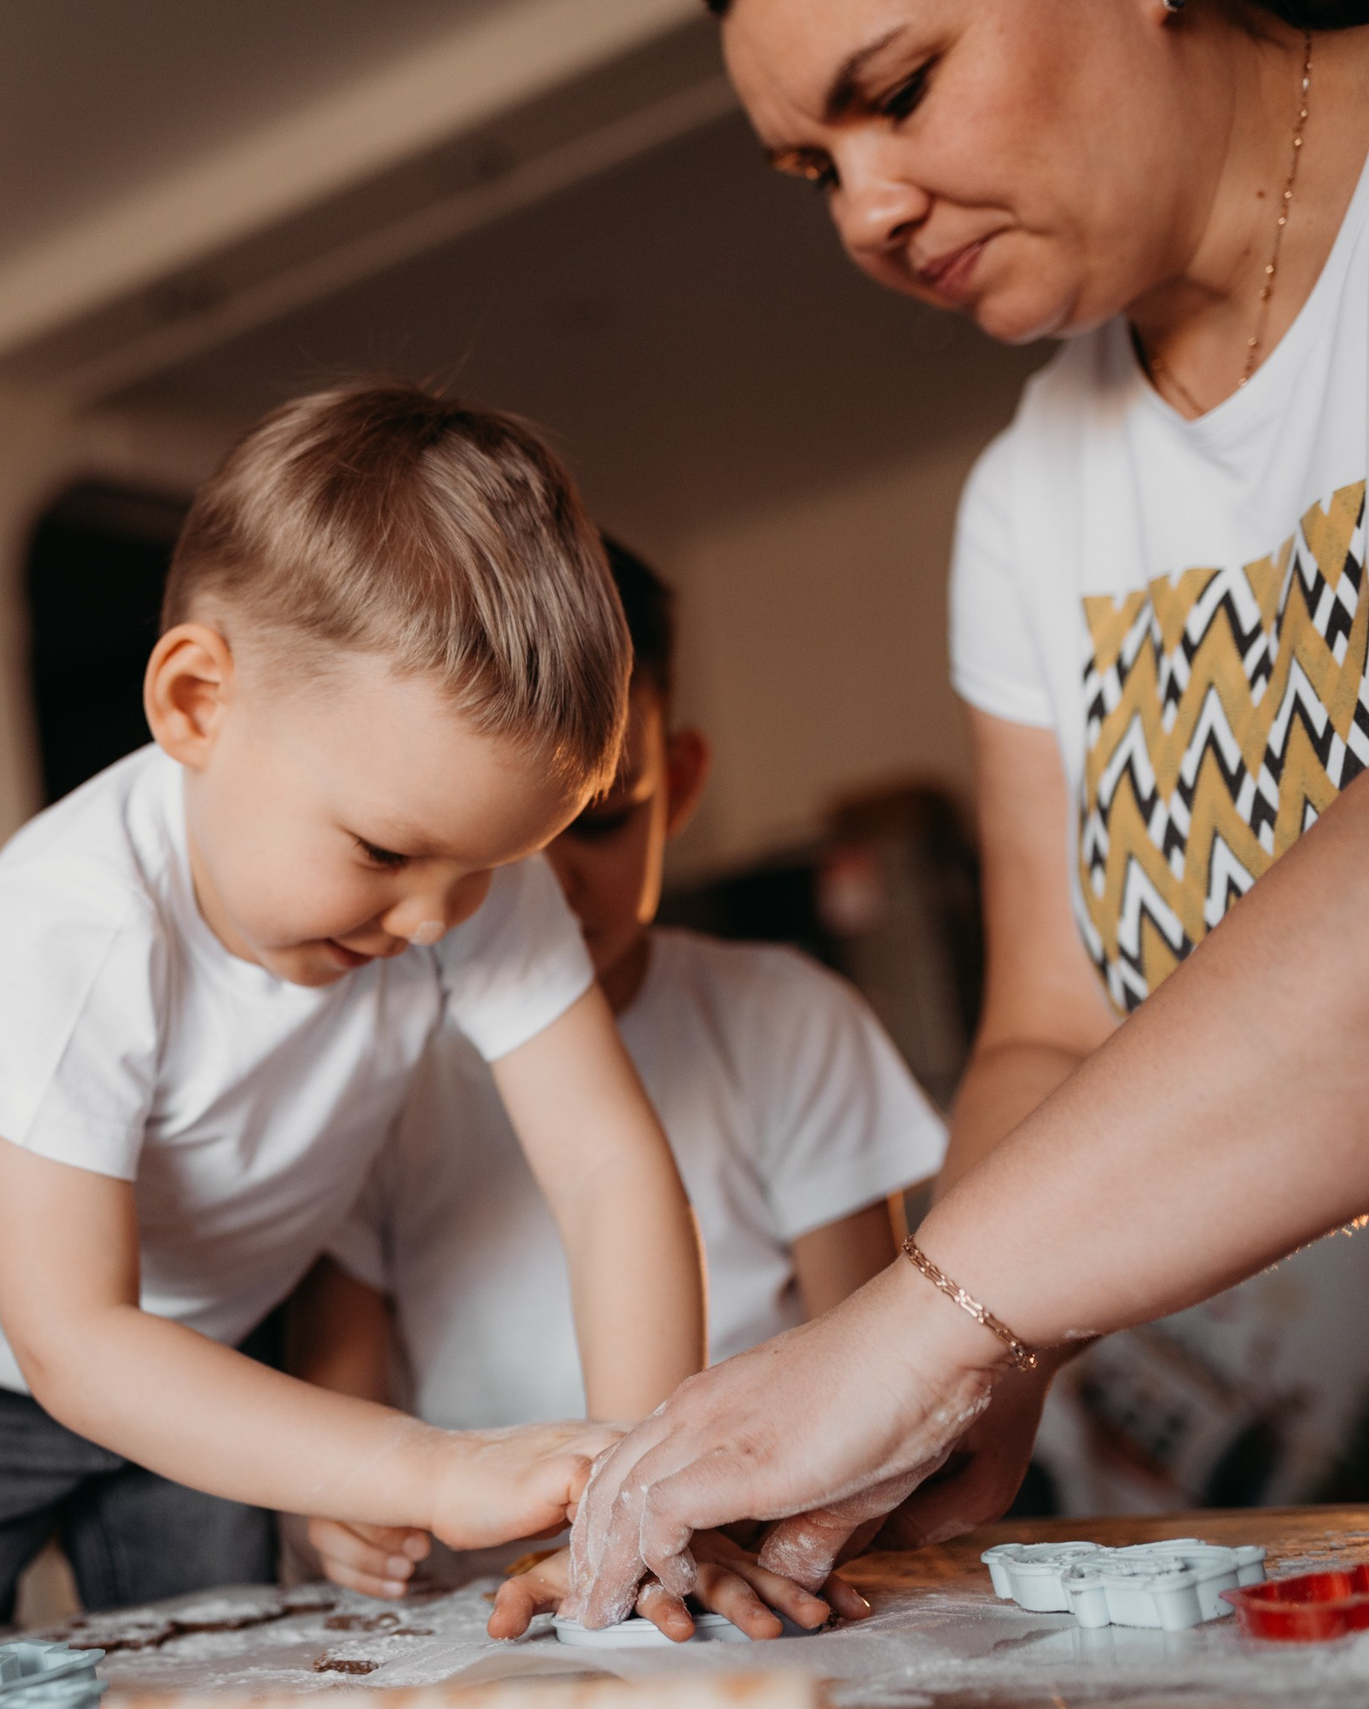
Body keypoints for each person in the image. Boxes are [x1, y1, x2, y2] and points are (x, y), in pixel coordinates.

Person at [545, 0, 1369, 1634]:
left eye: (902, 90)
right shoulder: (1029, 498)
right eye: (812, 169)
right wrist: (962, 1383)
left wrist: (921, 1323)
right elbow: (1049, 1032)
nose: (864, 210)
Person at [0, 382, 805, 1649]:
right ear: (195, 704)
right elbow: (74, 1338)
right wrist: (432, 1469)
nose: (442, 920)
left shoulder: (460, 882)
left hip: (209, 1344)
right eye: (386, 851)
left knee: (220, 1657)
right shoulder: (69, 921)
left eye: (489, 867)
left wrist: (643, 1498)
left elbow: (612, 1172)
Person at [291, 541, 941, 1611]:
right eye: (502, 835)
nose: (544, 883)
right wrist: (338, 1512)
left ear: (677, 783)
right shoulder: (372, 1061)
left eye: (593, 819)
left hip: (719, 1571)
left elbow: (876, 1380)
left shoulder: (791, 1017)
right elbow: (332, 1401)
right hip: (469, 1610)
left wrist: (689, 1534)